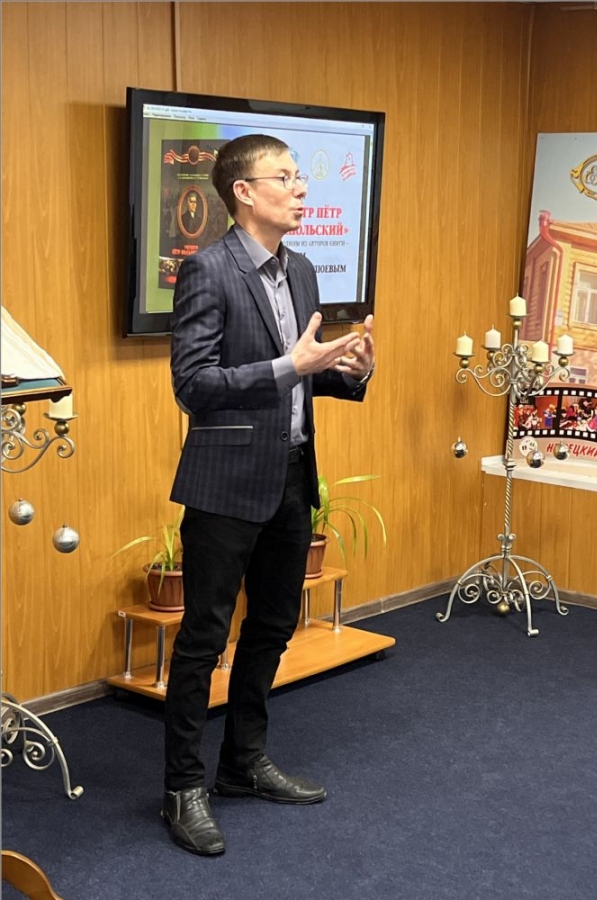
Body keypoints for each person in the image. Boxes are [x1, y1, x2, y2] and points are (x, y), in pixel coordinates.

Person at [162, 134, 375, 856]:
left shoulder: (303, 269)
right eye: (284, 176)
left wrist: (348, 370)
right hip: (224, 482)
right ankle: (182, 787)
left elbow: (304, 372)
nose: (300, 188)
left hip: (290, 475)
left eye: (299, 177)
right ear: (244, 192)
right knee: (203, 638)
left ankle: (243, 763)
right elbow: (193, 385)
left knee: (274, 625)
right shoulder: (208, 270)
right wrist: (291, 365)